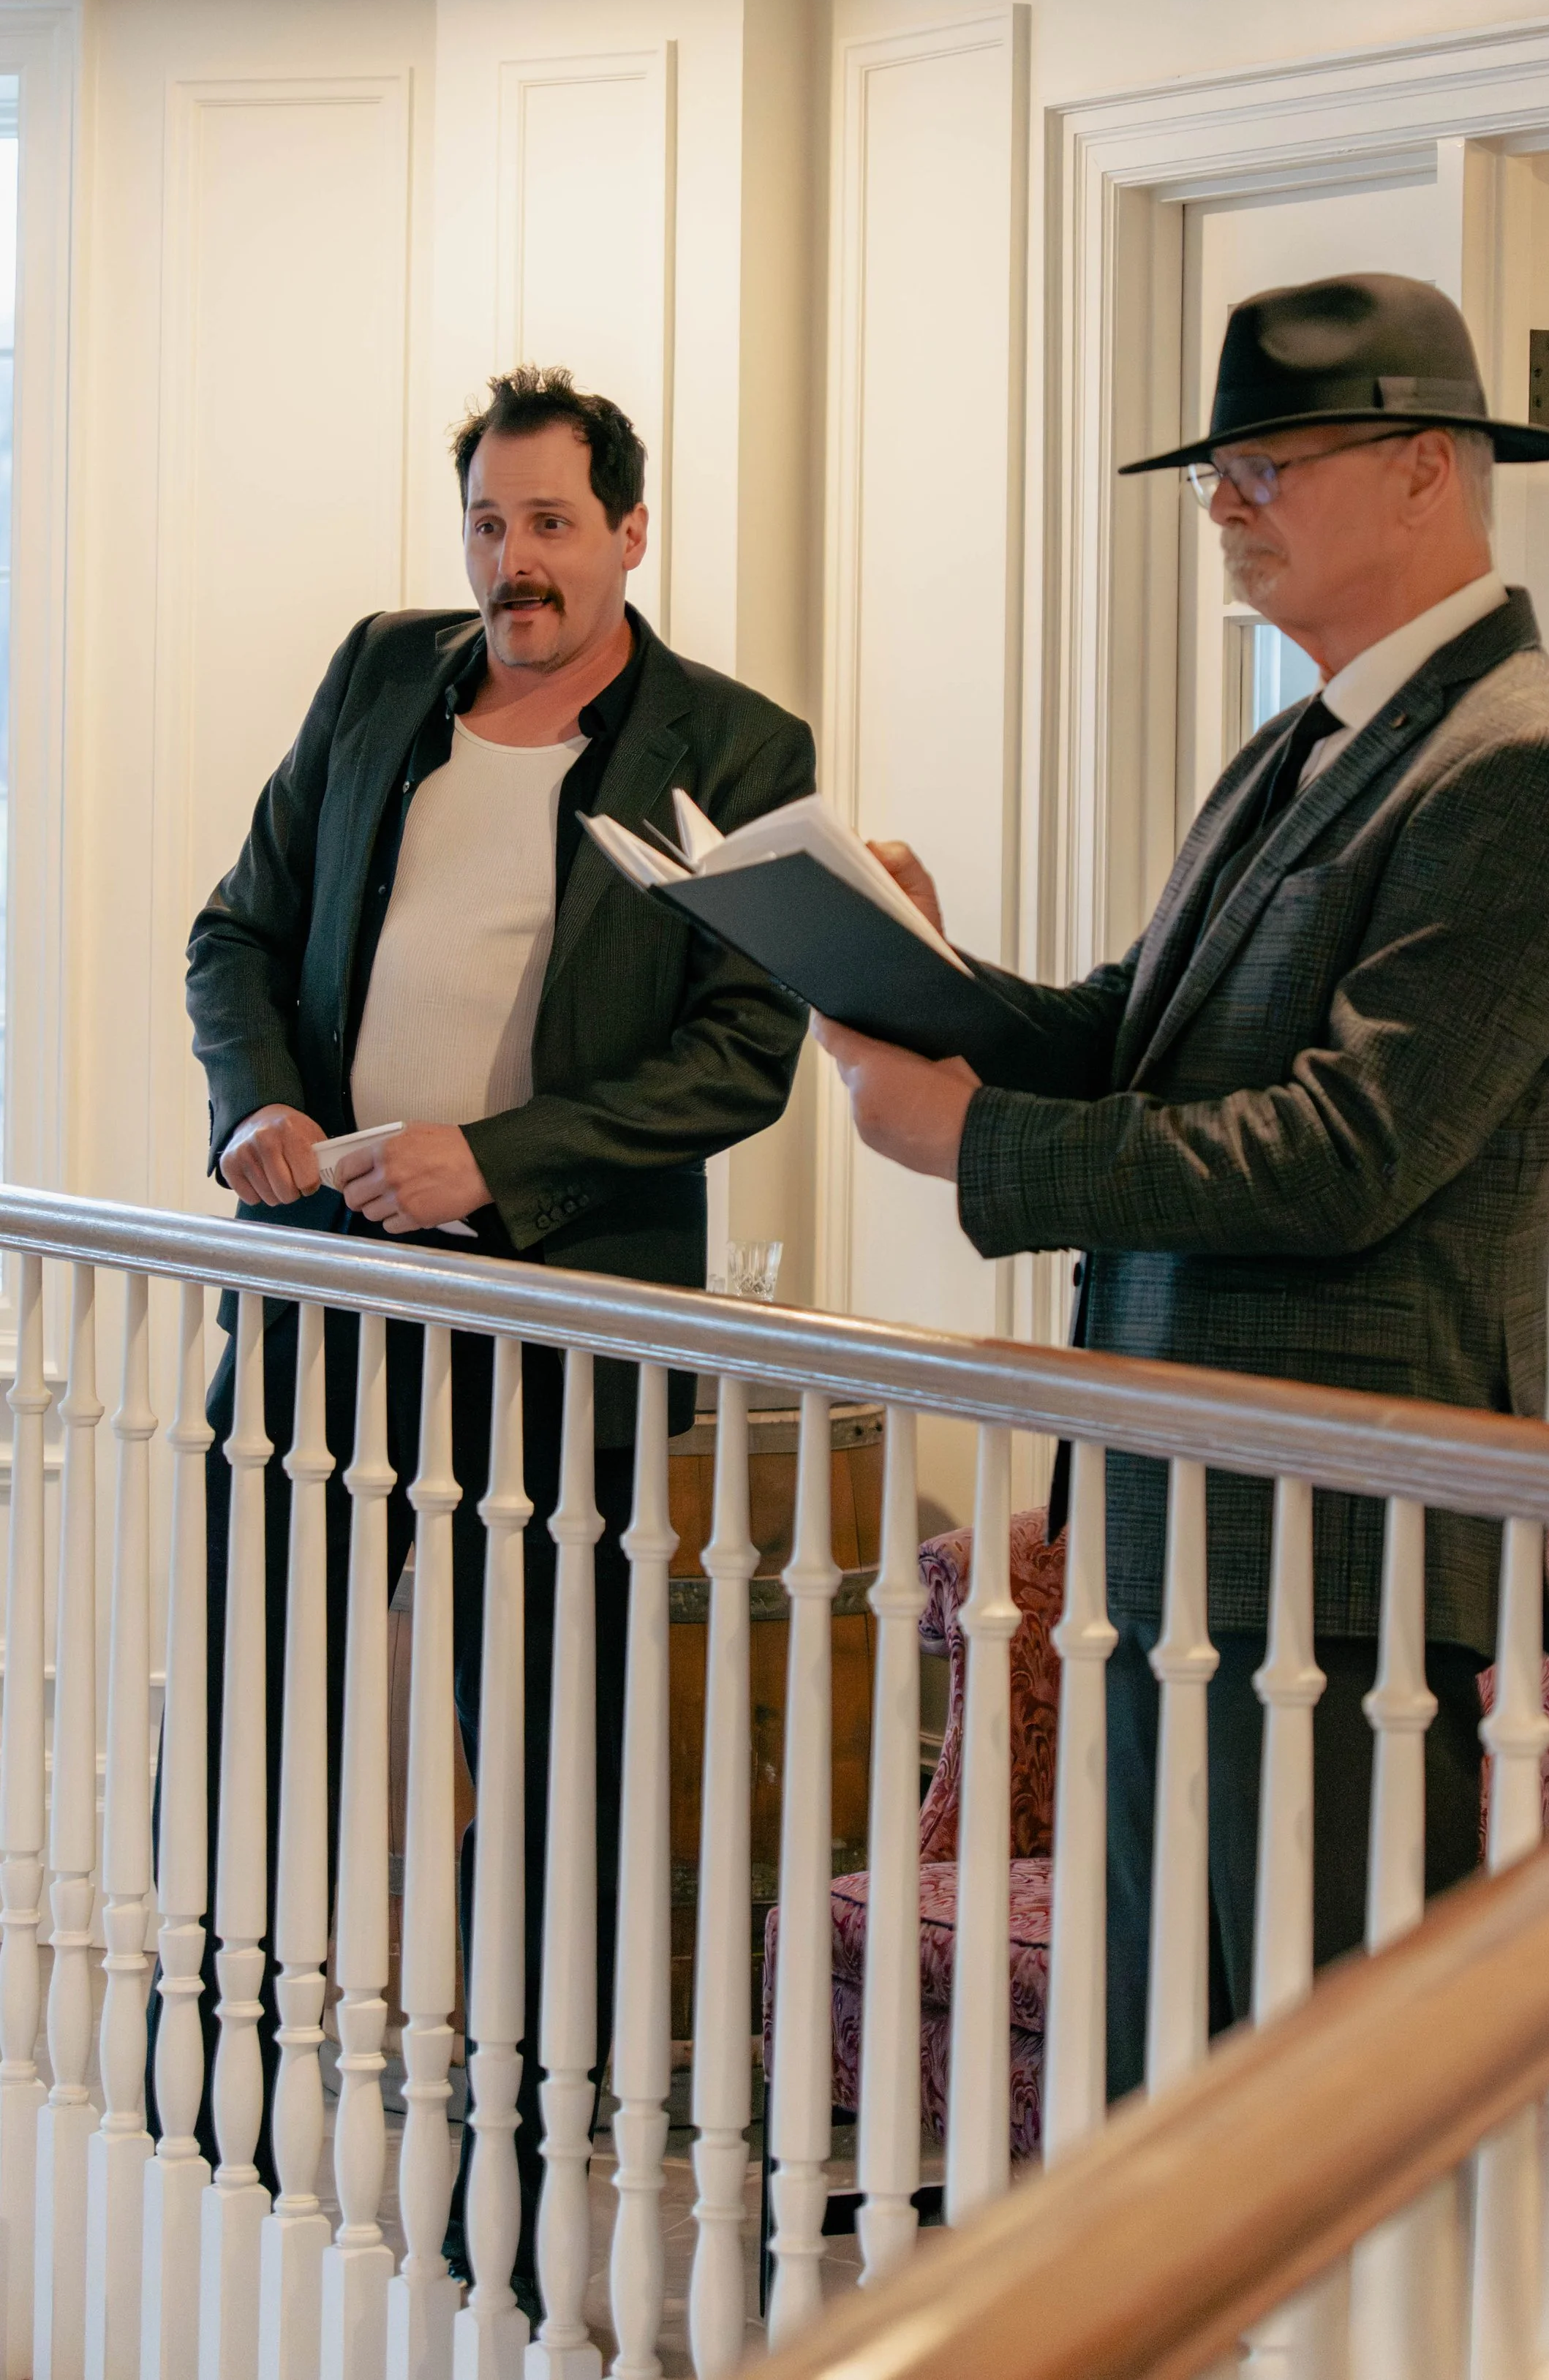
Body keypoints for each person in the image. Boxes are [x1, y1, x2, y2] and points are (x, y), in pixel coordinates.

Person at [815, 274, 1549, 2097]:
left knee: (1306, 2109)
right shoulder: (1294, 742)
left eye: (1261, 462)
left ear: (1428, 466)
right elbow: (1137, 1031)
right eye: (1215, 469)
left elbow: (1346, 1155)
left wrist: (969, 1141)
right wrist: (916, 975)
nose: (1220, 503)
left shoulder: (1529, 768)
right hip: (1166, 1516)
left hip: (1337, 1545)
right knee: (1156, 2091)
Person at [183, 364, 815, 2291]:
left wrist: (505, 1162)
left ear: (631, 532)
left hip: (565, 1320)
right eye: (486, 522)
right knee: (245, 1706)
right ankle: (214, 2105)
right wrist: (258, 1104)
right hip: (323, 1290)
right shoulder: (381, 678)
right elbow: (237, 928)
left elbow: (747, 1050)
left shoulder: (734, 739)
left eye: (550, 523)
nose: (512, 562)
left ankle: (535, 2180)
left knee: (554, 1754)